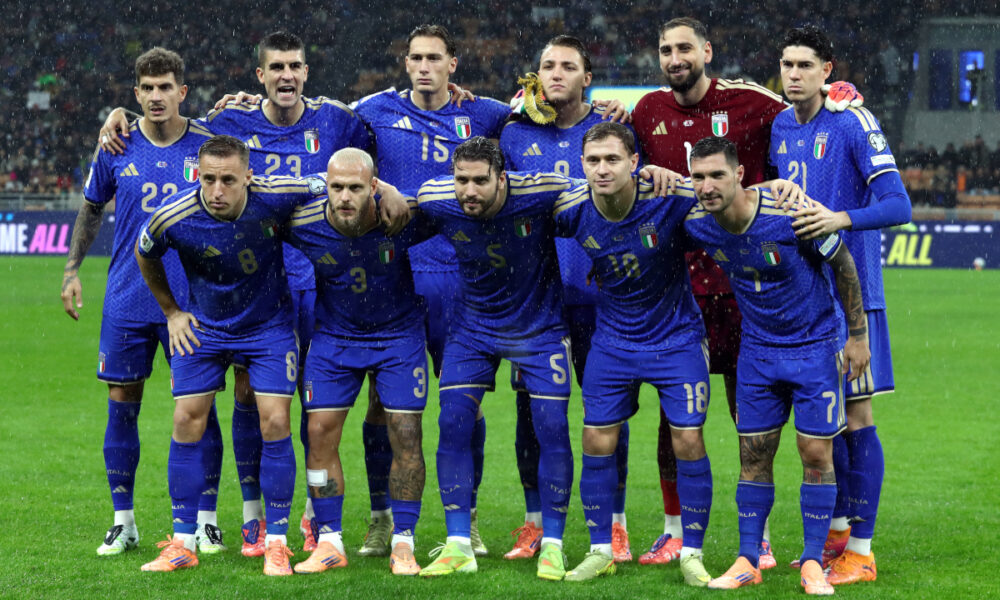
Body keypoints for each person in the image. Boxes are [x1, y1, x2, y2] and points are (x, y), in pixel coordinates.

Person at [100, 31, 373, 556]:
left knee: (315, 413)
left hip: (320, 285)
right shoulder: (227, 124)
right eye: (276, 68)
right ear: (260, 76)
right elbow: (168, 120)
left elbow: (365, 147)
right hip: (255, 290)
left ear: (307, 71)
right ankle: (254, 520)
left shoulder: (338, 118)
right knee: (251, 402)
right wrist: (120, 113)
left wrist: (376, 186)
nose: (286, 75)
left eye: (295, 66)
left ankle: (317, 518)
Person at [630, 16, 860, 567]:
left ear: (706, 51)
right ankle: (672, 528)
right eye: (665, 50)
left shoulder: (752, 102)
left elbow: (804, 106)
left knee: (751, 419)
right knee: (675, 414)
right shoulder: (645, 112)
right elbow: (623, 160)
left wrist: (840, 96)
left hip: (747, 289)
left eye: (684, 47)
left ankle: (768, 537)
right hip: (680, 288)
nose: (674, 57)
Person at [348, 24, 511, 557]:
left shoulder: (485, 114)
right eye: (415, 57)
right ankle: (381, 516)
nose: (423, 66)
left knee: (464, 404)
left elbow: (544, 115)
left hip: (460, 279)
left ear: (452, 65)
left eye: (434, 58)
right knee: (383, 403)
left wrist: (611, 109)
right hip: (393, 274)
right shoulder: (372, 110)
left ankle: (469, 518)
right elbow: (318, 113)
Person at [682, 136, 870, 595]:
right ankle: (748, 558)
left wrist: (858, 336)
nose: (707, 186)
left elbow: (843, 263)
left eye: (717, 175)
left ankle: (811, 561)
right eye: (698, 177)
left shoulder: (789, 213)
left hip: (814, 347)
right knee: (753, 456)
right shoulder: (697, 222)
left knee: (816, 454)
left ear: (740, 175)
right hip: (759, 352)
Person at [61, 47, 226, 557]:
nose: (157, 96)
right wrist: (71, 270)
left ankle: (206, 520)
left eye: (165, 87)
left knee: (200, 410)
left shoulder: (207, 146)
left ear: (182, 90)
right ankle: (123, 520)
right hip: (128, 300)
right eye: (147, 89)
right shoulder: (117, 144)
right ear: (136, 95)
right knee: (121, 409)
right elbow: (91, 209)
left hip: (191, 303)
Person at [133, 135, 321, 575]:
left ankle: (276, 542)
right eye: (208, 179)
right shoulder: (174, 216)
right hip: (205, 328)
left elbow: (328, 183)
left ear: (248, 178)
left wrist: (381, 188)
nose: (216, 191)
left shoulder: (275, 195)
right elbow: (145, 254)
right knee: (186, 419)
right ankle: (181, 541)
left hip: (269, 327)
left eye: (228, 180)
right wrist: (171, 312)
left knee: (275, 419)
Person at [770, 25, 912, 584]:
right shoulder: (781, 124)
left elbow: (897, 202)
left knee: (857, 418)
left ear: (827, 70)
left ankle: (863, 549)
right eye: (787, 65)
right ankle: (834, 538)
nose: (795, 74)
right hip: (805, 302)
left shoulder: (853, 122)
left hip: (855, 299)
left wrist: (841, 217)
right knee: (822, 428)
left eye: (805, 65)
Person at [498, 35, 639, 563]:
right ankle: (534, 521)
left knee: (608, 413)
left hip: (603, 300)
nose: (556, 74)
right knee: (530, 413)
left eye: (568, 67)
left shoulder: (612, 132)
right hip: (536, 302)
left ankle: (616, 524)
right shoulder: (512, 134)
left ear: (587, 77)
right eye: (547, 66)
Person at [553, 123, 713, 586]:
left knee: (687, 440)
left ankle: (692, 552)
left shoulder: (670, 197)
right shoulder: (569, 208)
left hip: (676, 339)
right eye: (593, 160)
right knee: (596, 440)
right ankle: (601, 548)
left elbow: (725, 192)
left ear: (634, 163)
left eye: (612, 160)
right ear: (581, 164)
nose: (602, 169)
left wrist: (778, 189)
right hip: (613, 343)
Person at [413, 137, 576, 580]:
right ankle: (459, 544)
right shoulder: (436, 198)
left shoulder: (541, 191)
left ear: (502, 178)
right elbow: (401, 206)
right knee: (452, 422)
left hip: (538, 329)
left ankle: (554, 545)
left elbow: (599, 193)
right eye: (461, 180)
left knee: (553, 428)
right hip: (472, 330)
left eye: (480, 181)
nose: (468, 191)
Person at [284, 148, 432, 576]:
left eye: (355, 187)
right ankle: (329, 540)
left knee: (406, 433)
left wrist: (395, 193)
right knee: (319, 435)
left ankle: (403, 542)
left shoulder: (403, 218)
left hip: (398, 337)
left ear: (373, 187)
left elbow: (458, 203)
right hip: (334, 339)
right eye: (336, 188)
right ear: (324, 187)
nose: (345, 197)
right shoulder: (303, 223)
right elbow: (257, 202)